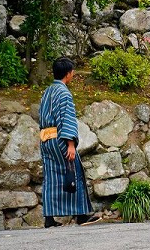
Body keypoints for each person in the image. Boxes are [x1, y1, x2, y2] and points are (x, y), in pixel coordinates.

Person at [39, 57, 98, 227]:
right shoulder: (64, 93)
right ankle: (81, 215)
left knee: (51, 177)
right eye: (72, 72)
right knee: (74, 172)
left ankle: (49, 219)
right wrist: (71, 144)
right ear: (68, 73)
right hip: (60, 139)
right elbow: (67, 119)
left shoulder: (47, 91)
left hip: (46, 140)